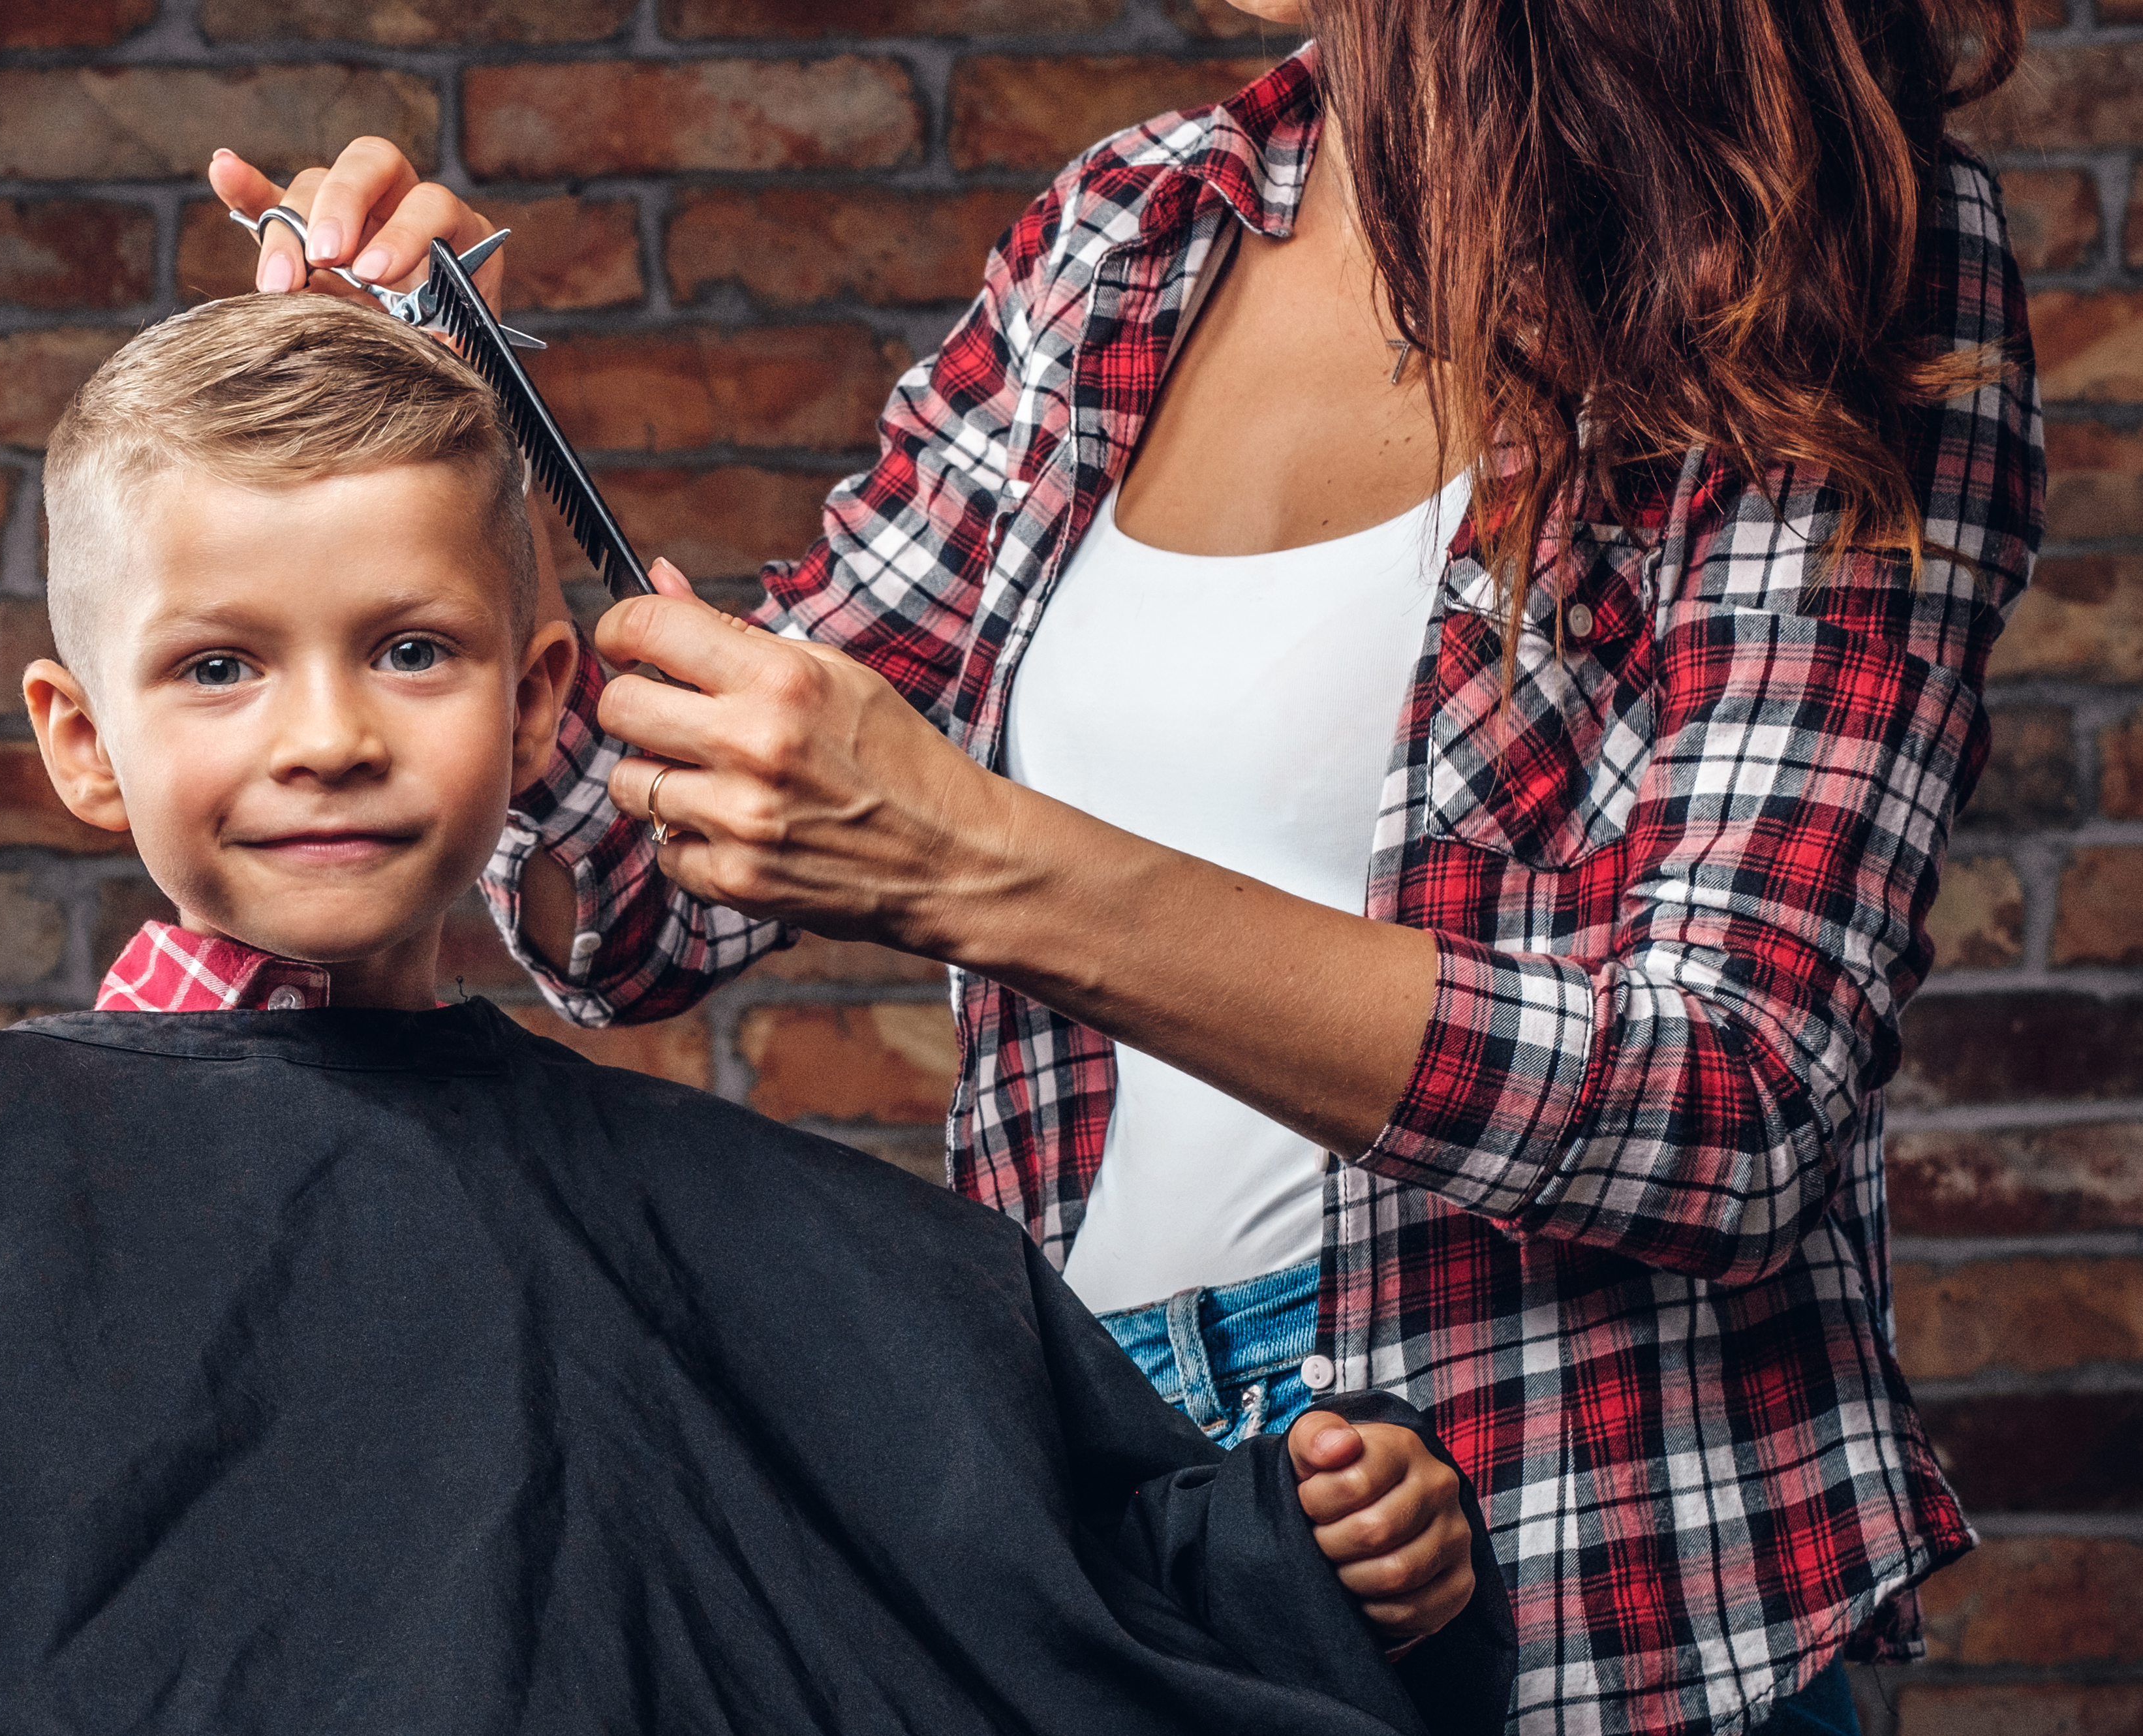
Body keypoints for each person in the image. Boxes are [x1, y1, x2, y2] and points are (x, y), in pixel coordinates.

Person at [0, 292, 1511, 1736]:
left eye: (414, 649)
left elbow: (1043, 1603)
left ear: (544, 698)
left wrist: (1308, 1559)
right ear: (81, 738)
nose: (327, 734)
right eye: (220, 663)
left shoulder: (776, 1239)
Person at [211, 1, 2044, 1732]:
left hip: (1563, 1558)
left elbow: (1721, 1100)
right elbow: (628, 903)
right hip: (1102, 1525)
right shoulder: (1130, 233)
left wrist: (981, 862)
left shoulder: (1818, 247)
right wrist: (459, 466)